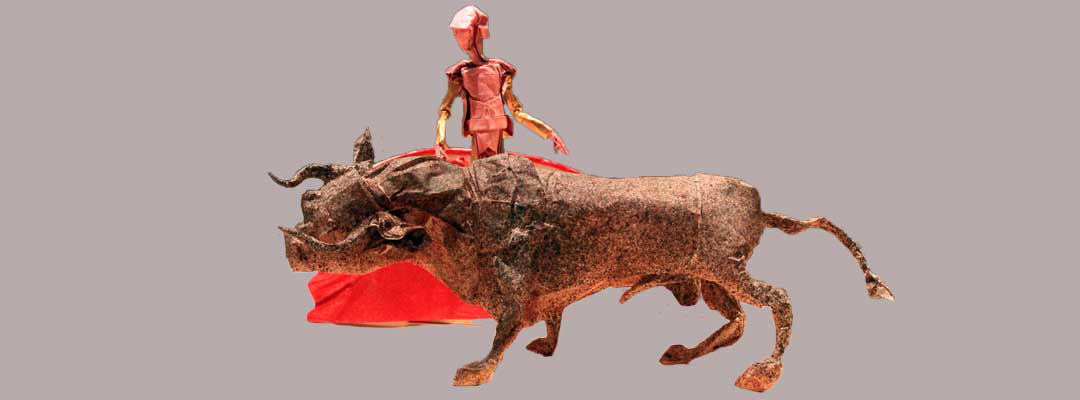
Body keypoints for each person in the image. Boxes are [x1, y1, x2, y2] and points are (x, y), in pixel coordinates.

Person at [435, 5, 568, 161]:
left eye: (464, 31)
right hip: (478, 133)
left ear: (476, 33)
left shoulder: (500, 69)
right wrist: (440, 141)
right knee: (480, 169)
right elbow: (444, 110)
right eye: (458, 33)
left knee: (495, 168)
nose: (461, 37)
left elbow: (517, 112)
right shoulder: (460, 73)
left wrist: (549, 133)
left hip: (496, 132)